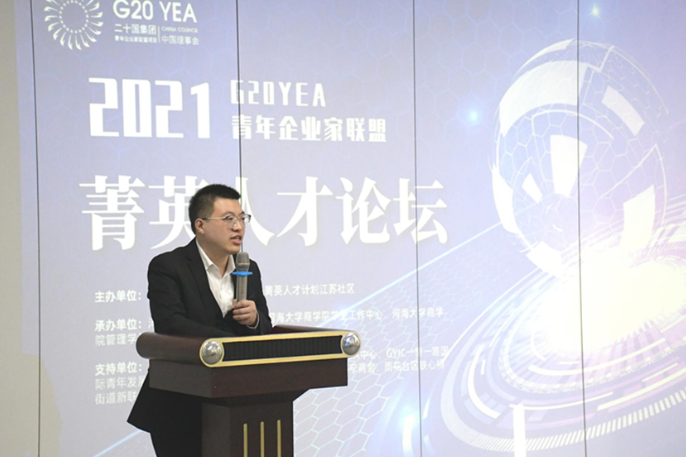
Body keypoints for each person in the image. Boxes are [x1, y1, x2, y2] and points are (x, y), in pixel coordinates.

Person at [127, 184, 272, 456]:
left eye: (242, 218)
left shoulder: (248, 267)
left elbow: (265, 326)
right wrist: (231, 344)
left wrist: (254, 319)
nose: (238, 227)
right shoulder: (168, 266)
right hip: (179, 403)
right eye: (228, 219)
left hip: (238, 401)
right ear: (200, 225)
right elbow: (170, 324)